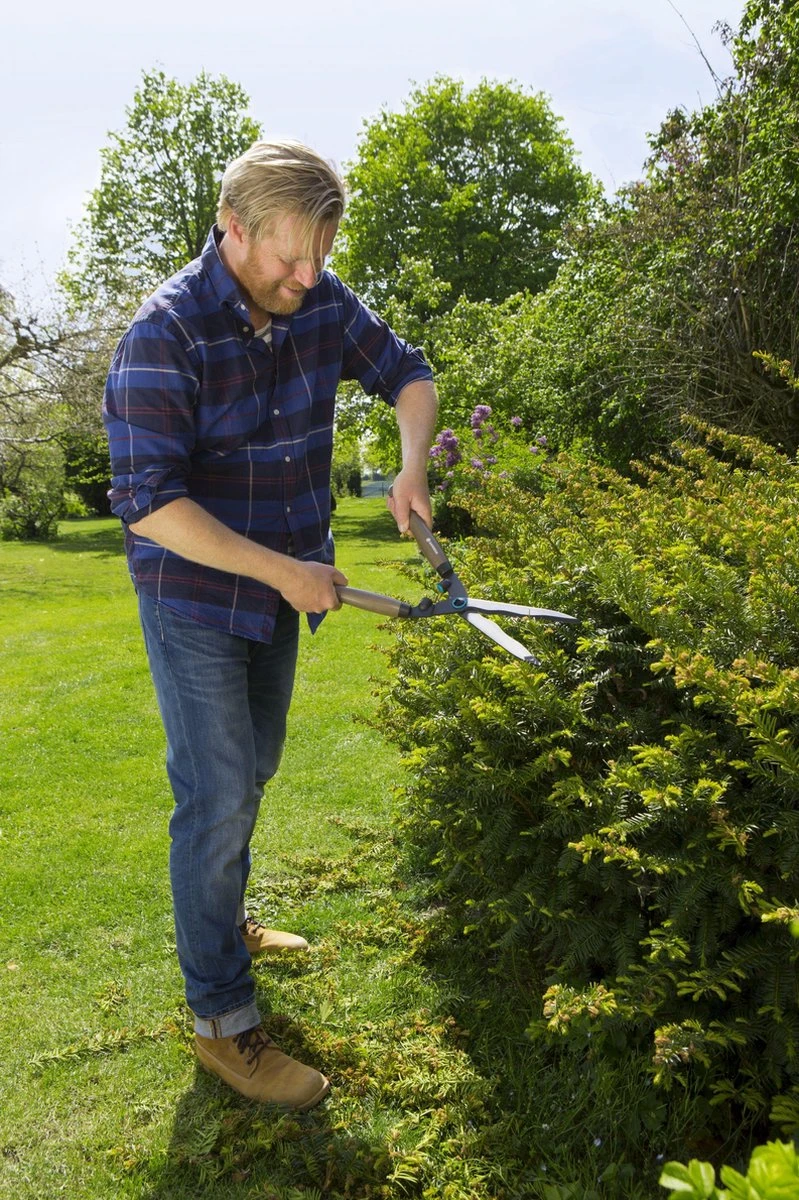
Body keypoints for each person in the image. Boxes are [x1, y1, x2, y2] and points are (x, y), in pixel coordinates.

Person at [103, 140, 437, 1110]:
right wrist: (287, 572)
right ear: (232, 227)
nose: (306, 278)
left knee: (249, 776)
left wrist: (411, 461)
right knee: (212, 798)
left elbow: (407, 374)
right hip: (198, 599)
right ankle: (221, 1020)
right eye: (289, 257)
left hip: (284, 594)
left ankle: (224, 920)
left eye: (320, 257)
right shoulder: (162, 335)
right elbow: (148, 504)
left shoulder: (320, 300)